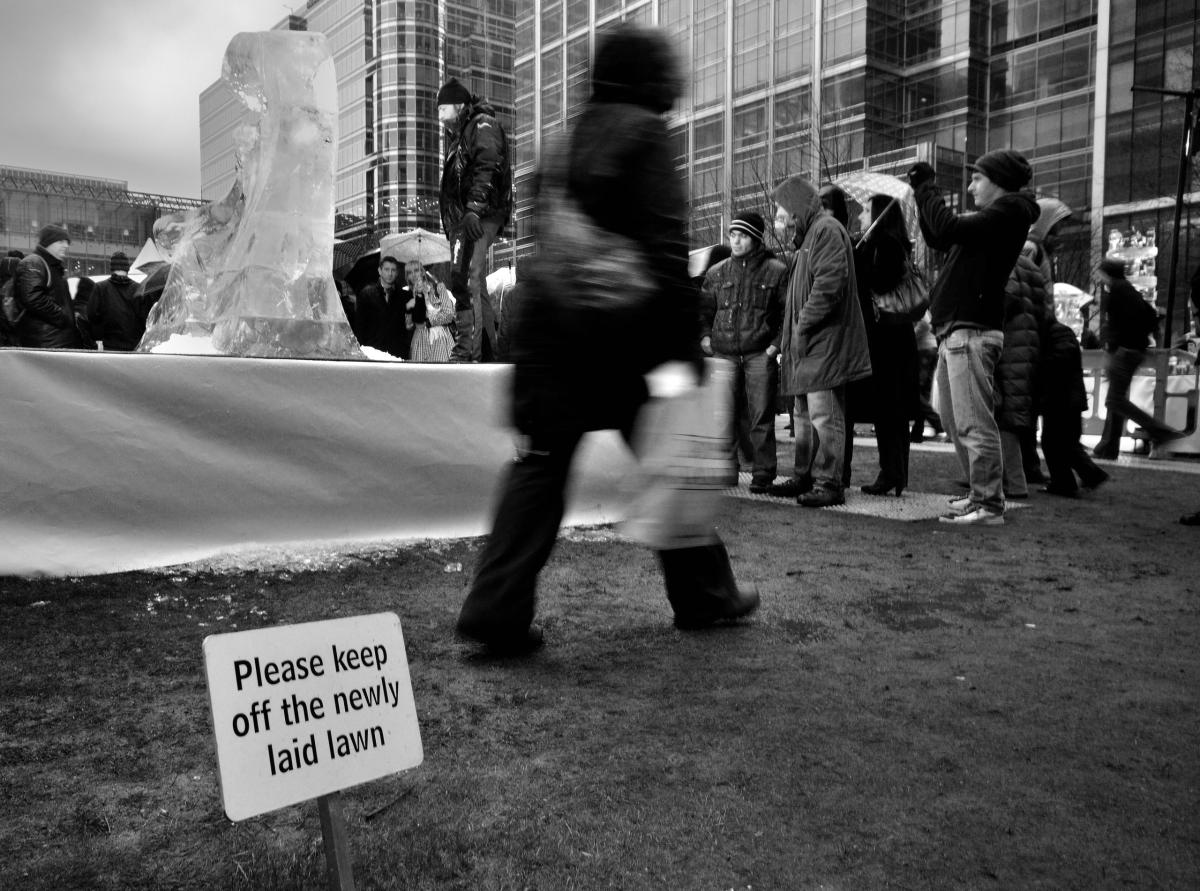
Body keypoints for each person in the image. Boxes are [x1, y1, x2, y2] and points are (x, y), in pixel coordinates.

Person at [455, 24, 758, 656]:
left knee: (541, 469)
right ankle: (705, 594)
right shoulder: (644, 135)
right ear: (651, 78)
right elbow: (664, 251)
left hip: (550, 338)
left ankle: (494, 608)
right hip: (621, 345)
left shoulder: (569, 142)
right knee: (671, 460)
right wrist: (683, 352)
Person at [908, 150, 1040, 525]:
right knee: (954, 420)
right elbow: (938, 235)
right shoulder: (994, 219)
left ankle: (988, 503)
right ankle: (980, 494)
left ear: (998, 180)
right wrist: (922, 192)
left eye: (977, 178)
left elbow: (946, 228)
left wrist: (927, 187)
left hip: (972, 330)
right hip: (959, 329)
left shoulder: (1009, 211)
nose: (970, 187)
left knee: (973, 422)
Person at [768, 175, 872, 507]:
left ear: (796, 207)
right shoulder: (811, 236)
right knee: (803, 416)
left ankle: (829, 482)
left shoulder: (825, 231)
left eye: (782, 209)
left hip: (821, 343)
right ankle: (805, 476)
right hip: (808, 345)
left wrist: (803, 325)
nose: (779, 217)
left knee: (824, 416)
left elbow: (830, 284)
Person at [699, 210, 788, 493]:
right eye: (732, 235)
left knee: (761, 416)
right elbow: (704, 310)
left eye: (742, 236)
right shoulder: (717, 272)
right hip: (724, 353)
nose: (735, 241)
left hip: (759, 352)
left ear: (756, 238)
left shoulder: (776, 271)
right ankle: (726, 469)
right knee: (723, 414)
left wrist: (775, 346)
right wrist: (705, 337)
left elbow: (787, 313)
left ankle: (763, 472)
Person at [438, 77, 512, 363]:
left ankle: (468, 351)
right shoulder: (460, 134)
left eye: (443, 108)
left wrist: (474, 208)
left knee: (467, 275)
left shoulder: (481, 125)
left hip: (479, 213)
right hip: (466, 216)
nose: (440, 115)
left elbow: (488, 166)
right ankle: (488, 350)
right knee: (473, 280)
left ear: (458, 105)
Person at [854, 194, 920, 497]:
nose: (860, 216)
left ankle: (892, 472)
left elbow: (879, 282)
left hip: (889, 339)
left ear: (881, 214)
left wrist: (858, 257)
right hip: (890, 337)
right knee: (890, 409)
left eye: (867, 210)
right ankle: (894, 472)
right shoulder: (884, 245)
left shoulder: (886, 246)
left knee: (890, 408)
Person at [1091, 257, 1185, 459]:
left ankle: (1159, 431)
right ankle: (1108, 448)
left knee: (1115, 400)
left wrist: (1112, 347)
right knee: (1116, 400)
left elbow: (1115, 325)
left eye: (1101, 274)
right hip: (1135, 350)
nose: (1100, 278)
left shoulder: (1116, 292)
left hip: (1124, 351)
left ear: (1107, 273)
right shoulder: (1130, 290)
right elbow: (1151, 315)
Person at [1038, 314, 1109, 497]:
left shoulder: (1054, 334)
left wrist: (1039, 364)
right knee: (1061, 442)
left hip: (1061, 396)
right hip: (1066, 396)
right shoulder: (1059, 332)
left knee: (1057, 442)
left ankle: (1079, 478)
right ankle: (1074, 480)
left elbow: (1060, 360)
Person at [995, 251, 1045, 500]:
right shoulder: (1033, 268)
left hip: (1010, 343)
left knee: (1003, 416)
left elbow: (1007, 297)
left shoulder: (1006, 261)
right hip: (1028, 343)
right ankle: (1017, 478)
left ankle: (1013, 482)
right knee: (1015, 415)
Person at [12, 224, 84, 349]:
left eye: (67, 242)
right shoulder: (34, 262)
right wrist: (63, 317)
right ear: (48, 242)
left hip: (54, 341)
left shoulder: (53, 267)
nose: (66, 246)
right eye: (61, 241)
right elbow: (33, 298)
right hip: (46, 342)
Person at [86, 252, 145, 351]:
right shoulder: (138, 289)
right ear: (127, 268)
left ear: (112, 268)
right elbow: (144, 318)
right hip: (134, 346)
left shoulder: (100, 288)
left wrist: (98, 337)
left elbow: (92, 315)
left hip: (109, 345)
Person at [354, 256, 411, 358]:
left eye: (393, 270)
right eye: (386, 269)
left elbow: (410, 325)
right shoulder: (367, 294)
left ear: (397, 273)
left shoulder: (404, 296)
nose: (390, 273)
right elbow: (359, 326)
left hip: (397, 353)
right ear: (380, 271)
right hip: (373, 352)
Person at [403, 264, 456, 362]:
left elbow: (448, 315)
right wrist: (409, 308)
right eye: (409, 273)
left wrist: (428, 322)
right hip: (420, 341)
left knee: (441, 370)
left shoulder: (438, 288)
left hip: (441, 340)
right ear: (407, 277)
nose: (413, 275)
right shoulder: (407, 294)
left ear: (423, 272)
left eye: (416, 270)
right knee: (419, 371)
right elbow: (408, 325)